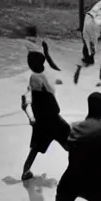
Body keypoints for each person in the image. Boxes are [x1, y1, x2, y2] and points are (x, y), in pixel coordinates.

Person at [20, 52, 71, 181]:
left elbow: (32, 102)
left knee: (35, 149)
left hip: (41, 122)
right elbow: (55, 108)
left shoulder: (33, 79)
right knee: (69, 145)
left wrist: (32, 118)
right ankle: (83, 168)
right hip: (54, 121)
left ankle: (26, 172)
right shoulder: (43, 80)